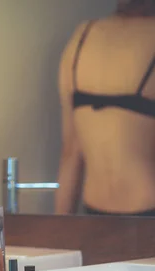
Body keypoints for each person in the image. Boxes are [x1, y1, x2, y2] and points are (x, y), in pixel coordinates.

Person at [55, 0, 155, 216]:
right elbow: (70, 152)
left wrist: (61, 231)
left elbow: (70, 153)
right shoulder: (82, 37)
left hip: (97, 217)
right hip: (143, 217)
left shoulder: (82, 37)